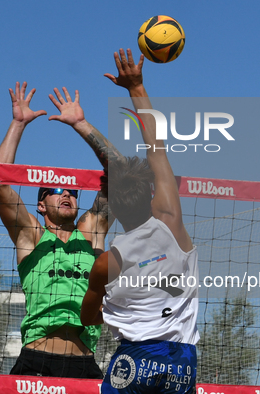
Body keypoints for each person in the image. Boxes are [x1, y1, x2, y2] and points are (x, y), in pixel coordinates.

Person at [0, 58, 131, 378]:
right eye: (55, 190)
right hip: (36, 360)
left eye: (72, 190)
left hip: (83, 363)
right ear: (41, 205)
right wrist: (18, 124)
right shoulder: (32, 236)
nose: (67, 193)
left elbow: (121, 173)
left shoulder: (92, 232)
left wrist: (82, 124)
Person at [81, 49, 199, 393]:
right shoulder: (170, 220)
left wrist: (122, 311)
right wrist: (136, 86)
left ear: (112, 205)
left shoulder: (106, 264)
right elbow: (155, 145)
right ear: (150, 193)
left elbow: (88, 318)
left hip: (135, 358)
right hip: (181, 360)